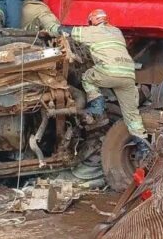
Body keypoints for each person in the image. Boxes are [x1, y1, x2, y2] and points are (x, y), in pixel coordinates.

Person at [44, 9, 149, 153]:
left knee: (87, 77)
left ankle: (97, 106)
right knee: (132, 114)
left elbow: (66, 31)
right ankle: (143, 148)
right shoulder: (116, 32)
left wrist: (51, 27)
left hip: (109, 72)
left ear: (92, 21)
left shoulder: (92, 32)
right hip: (128, 75)